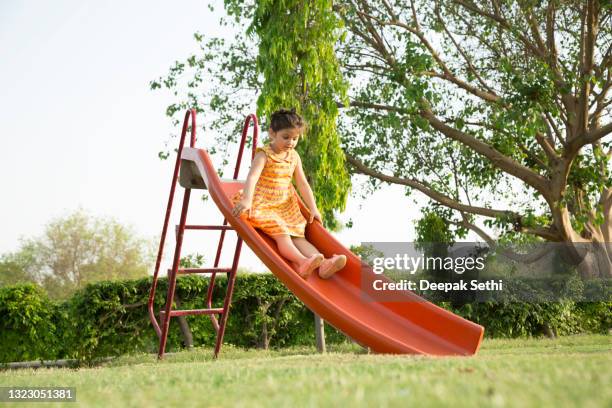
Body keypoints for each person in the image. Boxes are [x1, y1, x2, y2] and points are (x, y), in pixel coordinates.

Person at [231, 108, 347, 279]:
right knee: (283, 235)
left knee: (299, 236)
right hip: (264, 204)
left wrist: (313, 208)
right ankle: (301, 262)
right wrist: (247, 200)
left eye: (295, 138)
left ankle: (323, 265)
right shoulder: (264, 155)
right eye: (286, 137)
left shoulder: (294, 156)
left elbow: (302, 183)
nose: (291, 142)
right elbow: (252, 177)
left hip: (285, 206)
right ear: (272, 133)